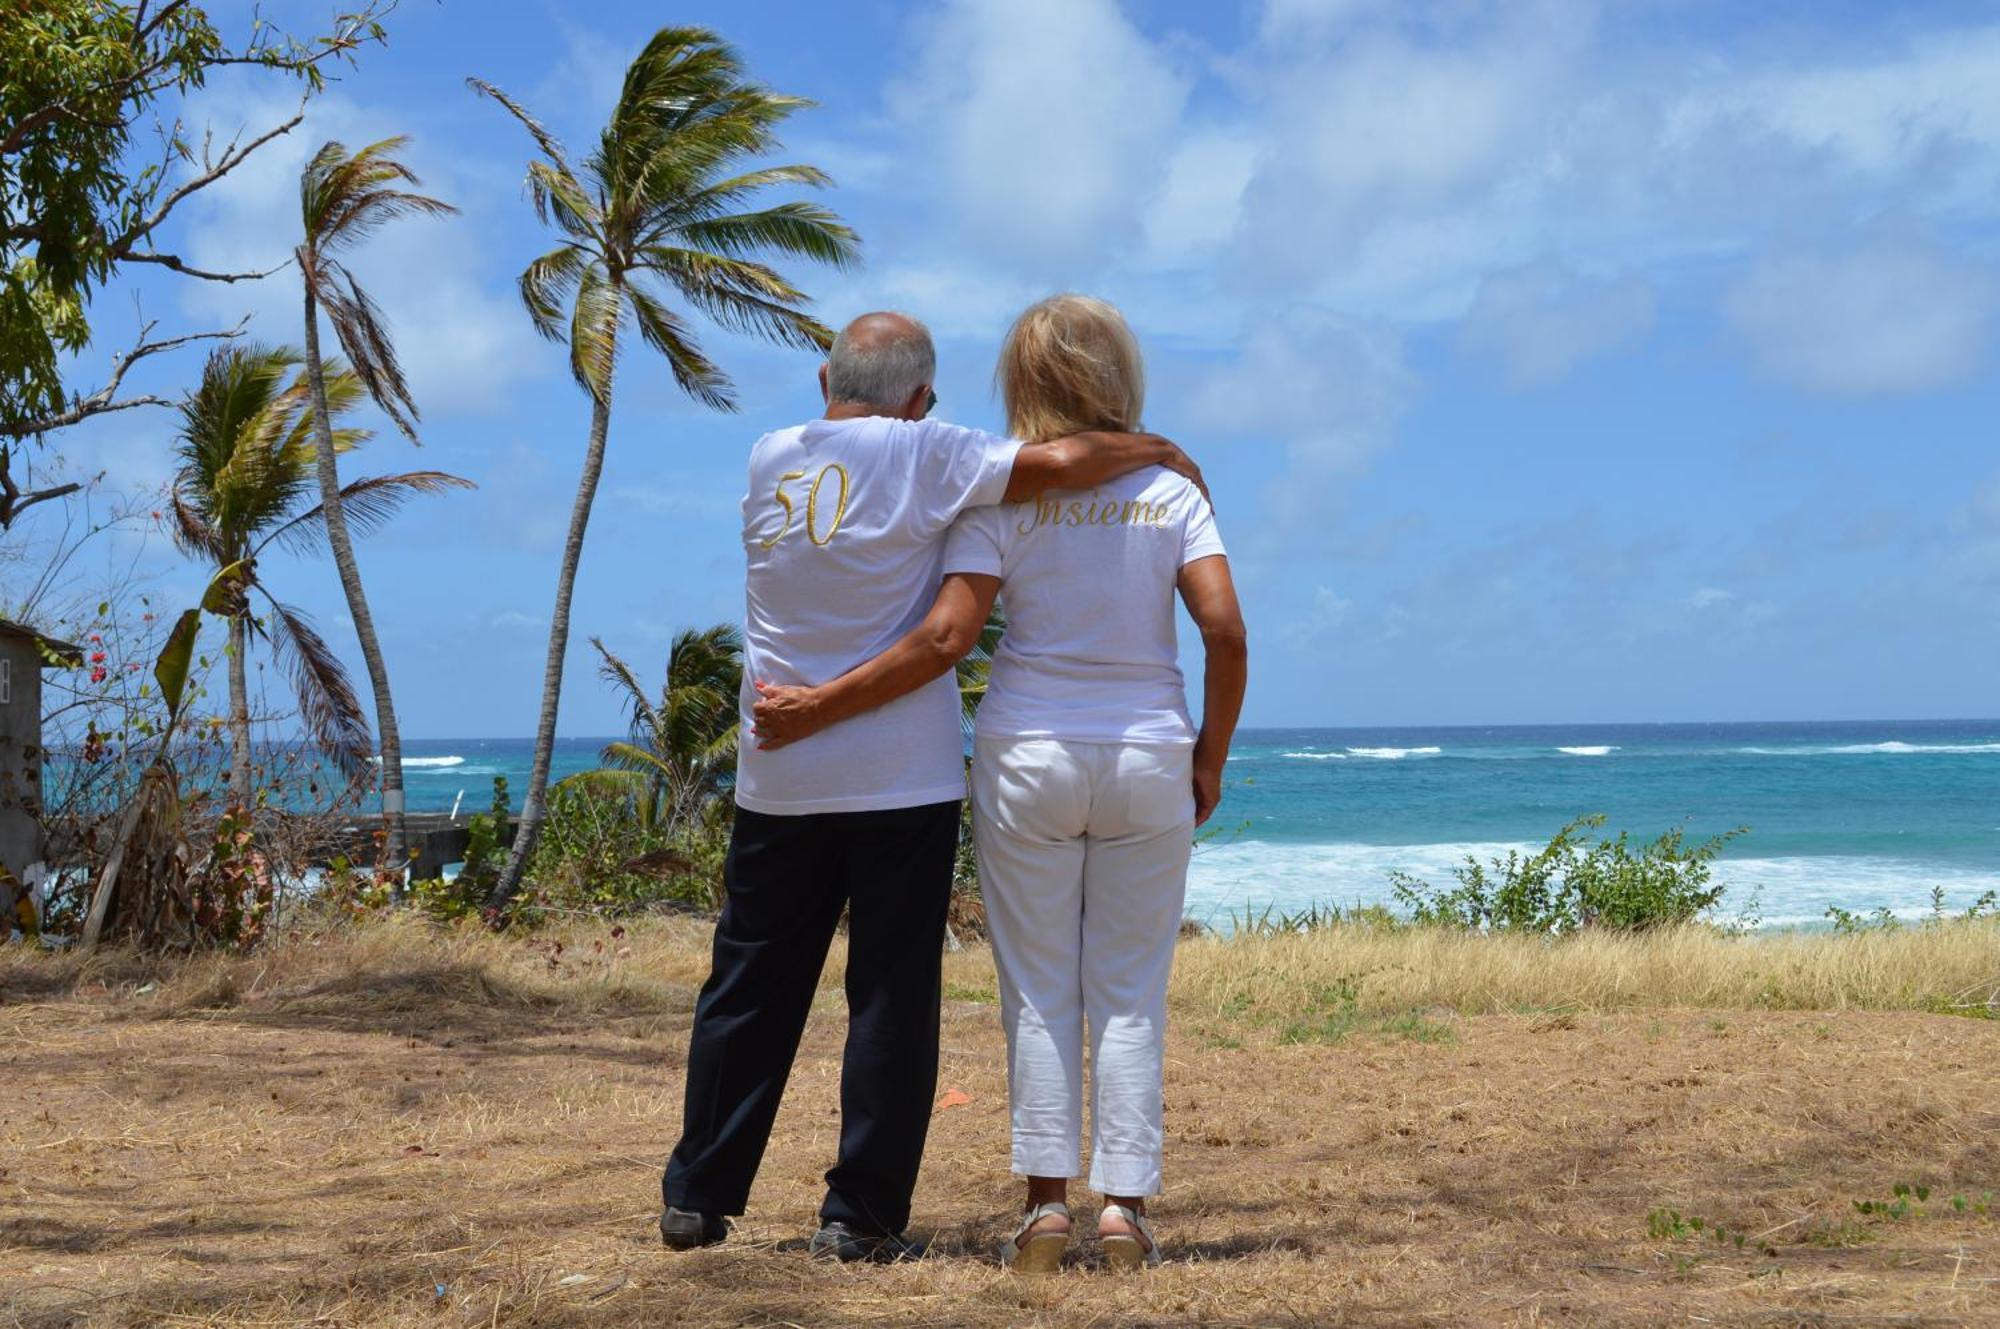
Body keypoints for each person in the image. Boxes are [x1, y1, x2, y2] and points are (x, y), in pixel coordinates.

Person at [660, 310, 1208, 1263]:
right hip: (896, 782)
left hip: (777, 775)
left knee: (748, 985)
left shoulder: (766, 455)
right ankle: (861, 1214)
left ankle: (698, 1194)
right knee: (887, 997)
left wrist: (806, 714)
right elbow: (1064, 468)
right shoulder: (929, 455)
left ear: (822, 377)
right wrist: (1155, 446)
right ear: (921, 401)